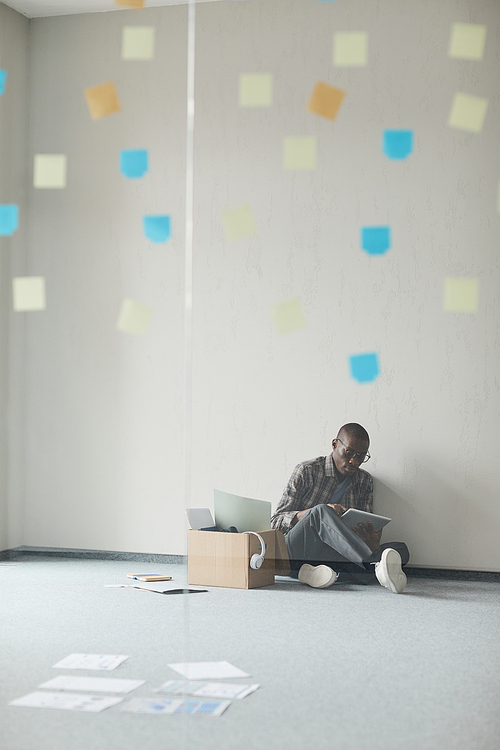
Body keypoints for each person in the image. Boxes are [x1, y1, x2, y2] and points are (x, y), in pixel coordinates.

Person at [271, 423, 409, 593]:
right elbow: (276, 522)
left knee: (400, 549)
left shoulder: (364, 481)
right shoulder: (307, 471)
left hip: (333, 553)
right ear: (335, 444)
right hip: (296, 551)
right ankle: (372, 566)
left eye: (361, 456)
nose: (354, 461)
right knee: (321, 511)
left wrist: (373, 543)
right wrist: (313, 514)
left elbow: (360, 531)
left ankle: (315, 574)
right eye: (349, 452)